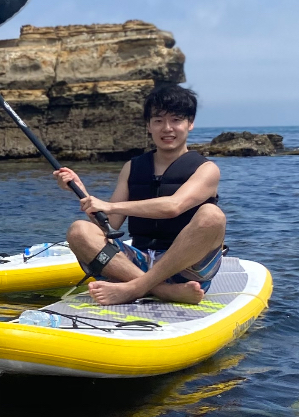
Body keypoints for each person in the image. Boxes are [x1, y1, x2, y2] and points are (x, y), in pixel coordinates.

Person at [53, 84, 226, 306]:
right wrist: (81, 192)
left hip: (186, 269)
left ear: (190, 123)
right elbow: (109, 224)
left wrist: (111, 206)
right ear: (148, 125)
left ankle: (135, 288)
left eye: (176, 120)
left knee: (212, 215)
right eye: (158, 121)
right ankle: (163, 291)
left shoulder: (207, 169)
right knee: (78, 230)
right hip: (137, 264)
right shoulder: (132, 167)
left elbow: (173, 206)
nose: (167, 128)